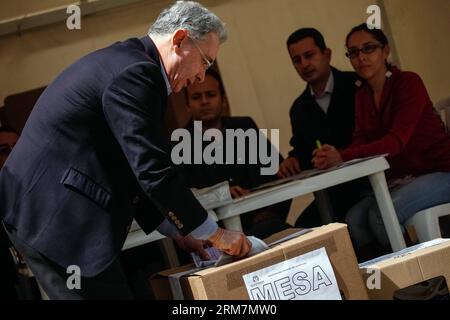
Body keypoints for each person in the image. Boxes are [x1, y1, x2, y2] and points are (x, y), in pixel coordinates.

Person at [0, 1, 251, 300]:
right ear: (180, 40)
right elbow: (152, 170)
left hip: (50, 214)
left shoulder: (133, 66)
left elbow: (130, 168)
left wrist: (182, 234)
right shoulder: (135, 74)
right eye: (204, 61)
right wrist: (213, 233)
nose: (200, 76)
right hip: (57, 216)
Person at [312, 23, 450, 260]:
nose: (361, 57)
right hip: (401, 180)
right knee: (353, 221)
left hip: (440, 171)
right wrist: (333, 154)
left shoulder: (408, 82)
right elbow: (359, 143)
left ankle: (422, 281)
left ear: (385, 51)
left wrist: (342, 156)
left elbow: (396, 142)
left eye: (368, 48)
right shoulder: (362, 97)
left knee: (380, 217)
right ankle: (385, 285)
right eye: (353, 52)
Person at [174, 68, 292, 239]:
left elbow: (280, 174)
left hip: (263, 224)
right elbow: (183, 199)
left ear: (223, 99)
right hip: (215, 237)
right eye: (196, 97)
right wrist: (219, 194)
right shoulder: (179, 144)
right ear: (187, 105)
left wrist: (271, 213)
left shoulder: (245, 127)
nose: (204, 101)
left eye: (211, 94)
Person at [278, 27, 366, 227]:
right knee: (303, 231)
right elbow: (302, 150)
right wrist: (292, 161)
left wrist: (340, 154)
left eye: (309, 55)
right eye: (297, 60)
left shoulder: (357, 86)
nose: (305, 64)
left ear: (327, 54)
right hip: (331, 193)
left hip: (367, 183)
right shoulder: (298, 108)